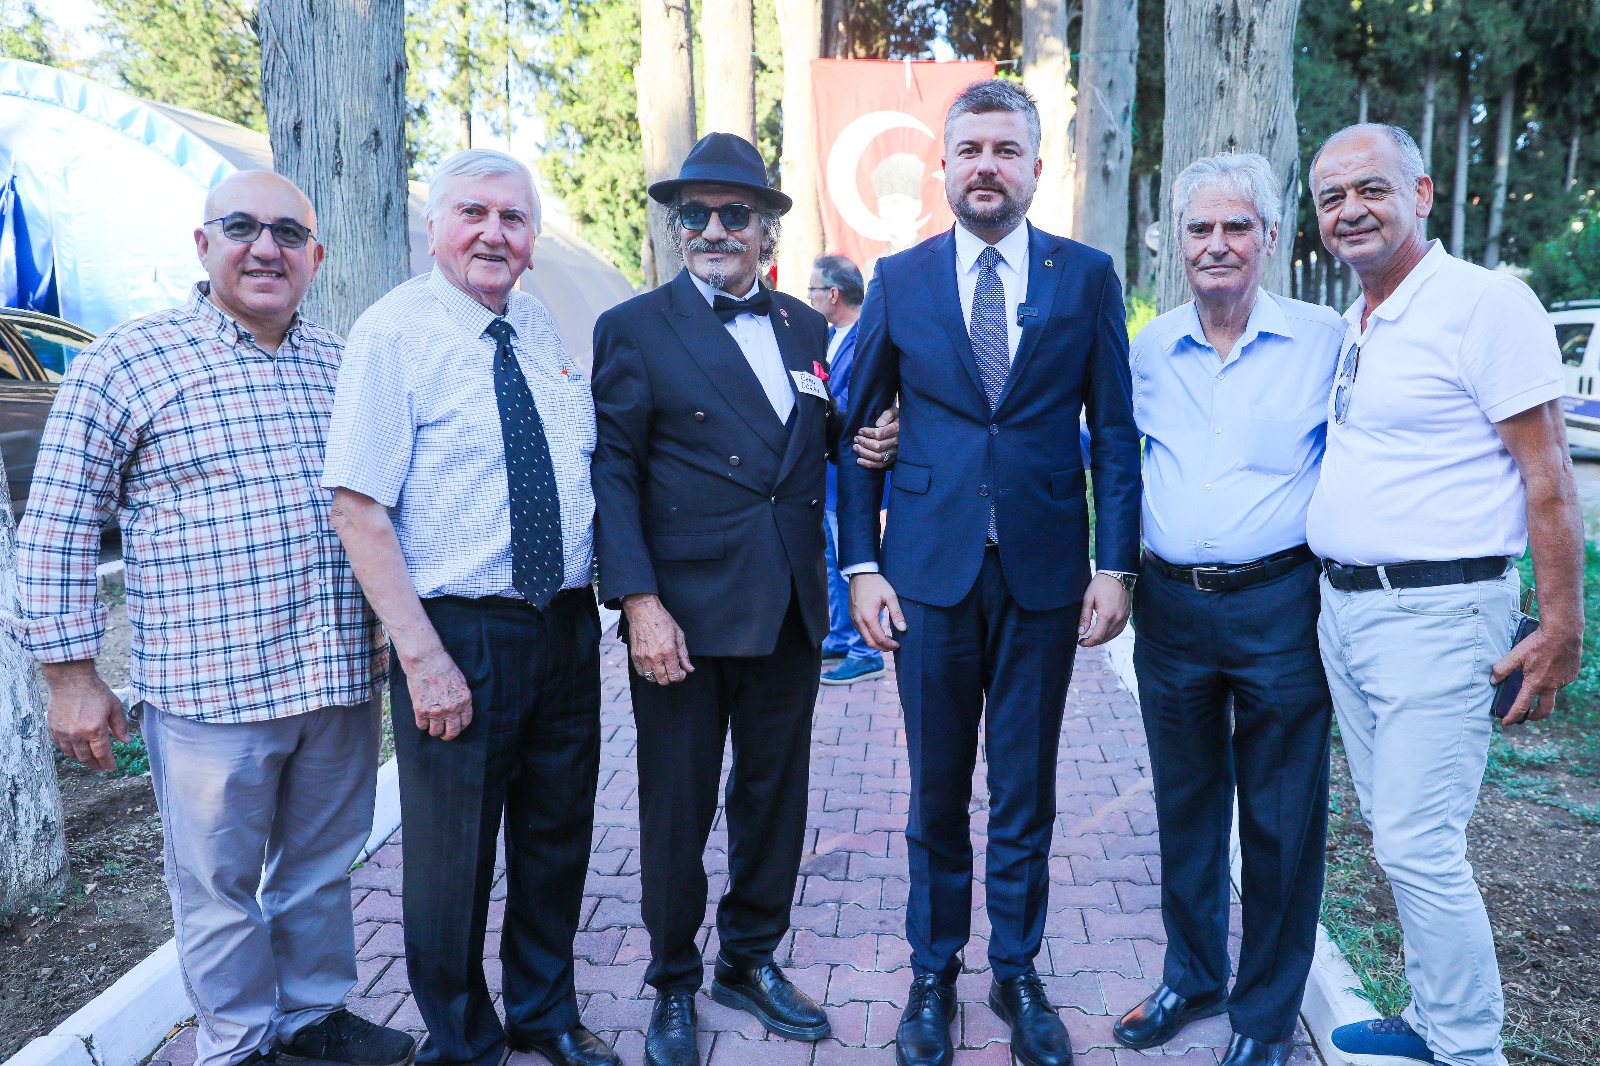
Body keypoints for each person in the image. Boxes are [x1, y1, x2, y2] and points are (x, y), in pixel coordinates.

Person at [4, 171, 414, 1066]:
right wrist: (71, 677)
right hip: (208, 693)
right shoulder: (129, 360)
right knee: (216, 888)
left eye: (287, 233)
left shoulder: (343, 364)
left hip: (338, 678)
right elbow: (62, 521)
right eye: (241, 227)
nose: (264, 248)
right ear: (202, 244)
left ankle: (311, 1017)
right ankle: (239, 1043)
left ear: (315, 255)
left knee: (316, 870)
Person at [837, 79, 1142, 1066]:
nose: (985, 166)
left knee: (1024, 788)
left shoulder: (1086, 277)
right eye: (968, 149)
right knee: (935, 790)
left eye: (1005, 150)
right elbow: (855, 436)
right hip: (924, 576)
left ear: (1035, 168)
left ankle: (1016, 970)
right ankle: (935, 974)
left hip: (1046, 577)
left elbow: (1116, 437)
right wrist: (861, 566)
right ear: (943, 165)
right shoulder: (901, 278)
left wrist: (1115, 565)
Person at [589, 132, 898, 1066]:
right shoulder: (634, 327)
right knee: (676, 808)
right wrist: (638, 602)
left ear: (766, 228)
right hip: (681, 617)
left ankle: (750, 960)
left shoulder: (810, 329)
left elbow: (828, 446)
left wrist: (867, 455)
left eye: (734, 214)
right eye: (696, 214)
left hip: (790, 609)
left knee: (774, 800)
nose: (714, 228)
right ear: (677, 228)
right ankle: (674, 980)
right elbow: (614, 471)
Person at [322, 149, 619, 1066]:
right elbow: (357, 504)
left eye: (514, 219)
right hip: (460, 631)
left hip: (566, 621)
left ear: (532, 241)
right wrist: (420, 655)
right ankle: (463, 1040)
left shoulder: (535, 325)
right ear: (435, 228)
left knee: (557, 835)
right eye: (474, 214)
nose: (495, 233)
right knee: (453, 859)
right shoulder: (394, 332)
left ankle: (545, 1013)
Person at [1305, 124, 1584, 1066]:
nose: (1351, 210)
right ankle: (1432, 1017)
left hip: (1437, 614)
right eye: (1332, 198)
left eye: (1371, 190)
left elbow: (1548, 476)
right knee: (1395, 829)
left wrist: (1562, 624)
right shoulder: (1361, 319)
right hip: (1349, 612)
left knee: (1419, 842)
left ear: (1422, 194)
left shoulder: (1483, 302)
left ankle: (1469, 1050)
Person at [1113, 153, 1344, 1066]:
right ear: (1176, 243)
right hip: (1170, 610)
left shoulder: (1327, 339)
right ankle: (1192, 973)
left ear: (1272, 239)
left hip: (1281, 605)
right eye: (1199, 229)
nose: (1217, 244)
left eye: (1236, 227)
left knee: (1283, 818)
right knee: (1187, 805)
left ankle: (1263, 1013)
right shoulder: (1148, 348)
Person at [807, 252, 886, 686]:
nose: (810, 297)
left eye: (813, 289)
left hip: (852, 473)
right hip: (827, 474)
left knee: (853, 561)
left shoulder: (867, 338)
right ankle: (840, 636)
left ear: (833, 294)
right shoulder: (830, 336)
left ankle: (865, 649)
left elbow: (864, 409)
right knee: (833, 560)